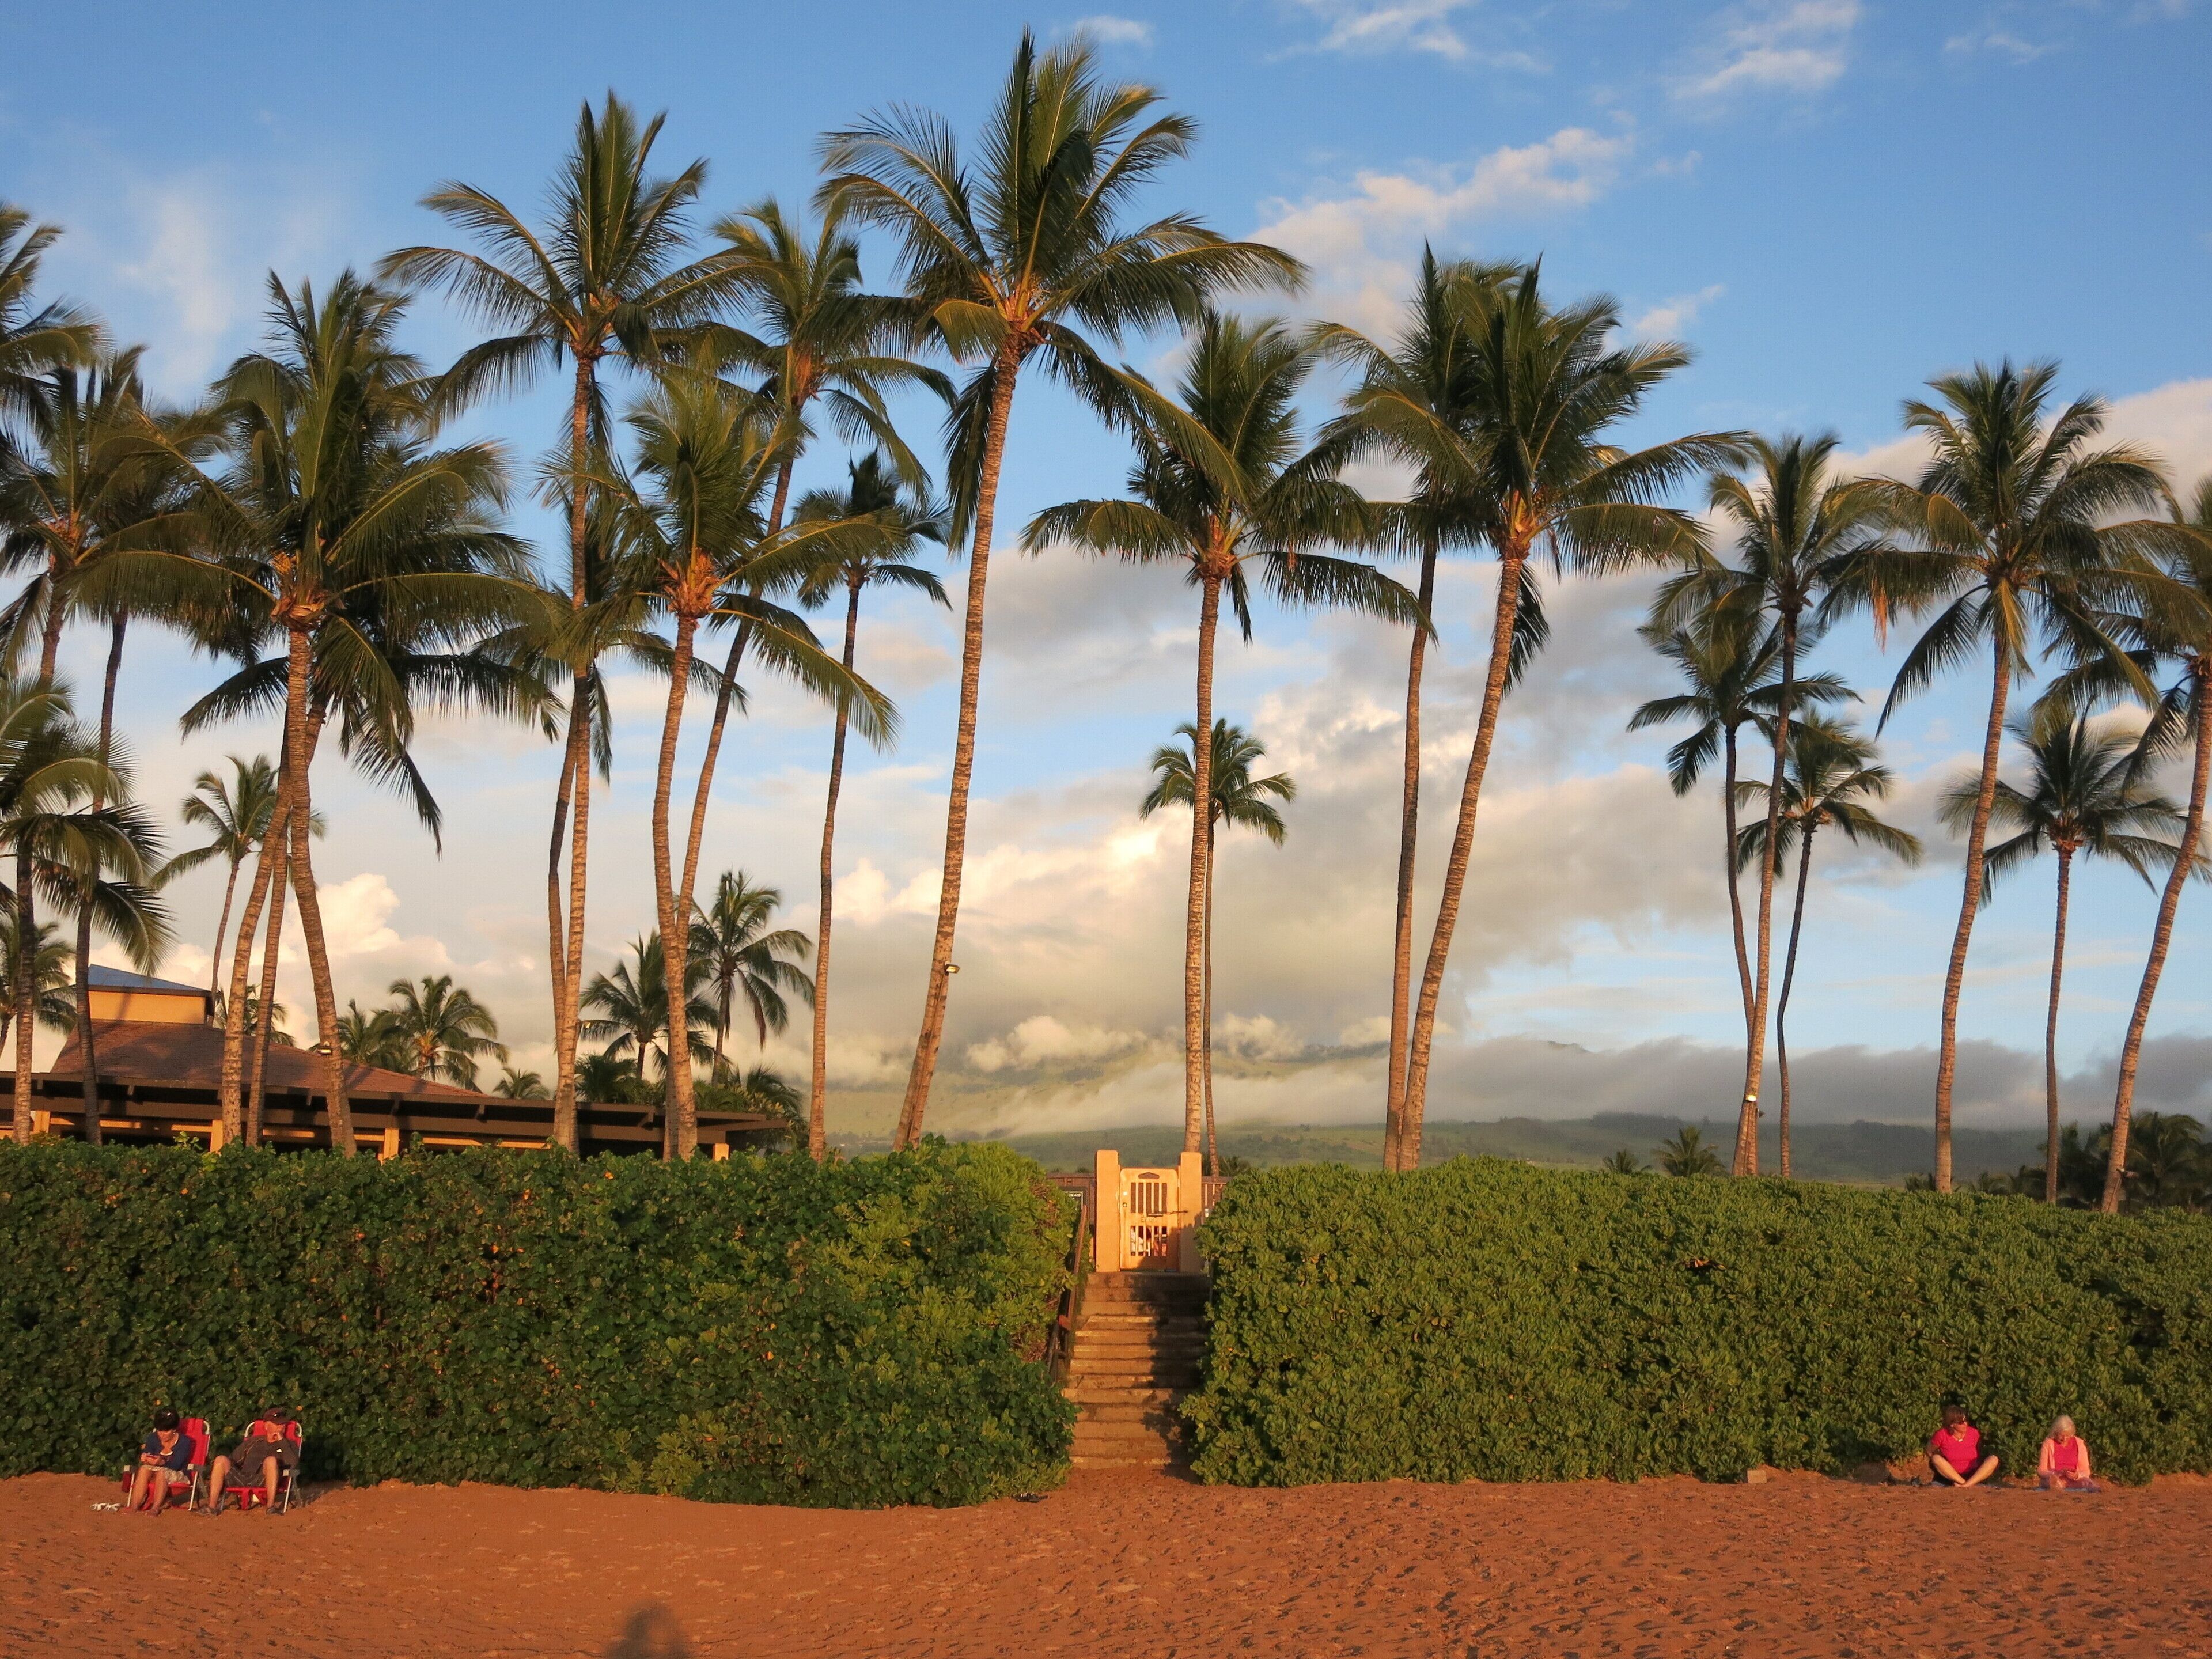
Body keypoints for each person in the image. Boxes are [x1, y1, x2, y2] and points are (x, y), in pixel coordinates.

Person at [205, 1407, 299, 1514]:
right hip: (242, 1478)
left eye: (283, 1424)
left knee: (271, 1460)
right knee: (221, 1459)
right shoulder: (254, 1441)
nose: (282, 1426)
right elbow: (233, 1459)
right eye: (278, 1423)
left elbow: (293, 1463)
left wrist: (282, 1441)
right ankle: (212, 1507)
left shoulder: (288, 1444)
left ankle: (271, 1507)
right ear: (266, 1426)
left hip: (263, 1480)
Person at [125, 1408, 193, 1514]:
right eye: (159, 1430)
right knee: (144, 1469)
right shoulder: (153, 1438)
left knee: (162, 1472)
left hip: (178, 1473)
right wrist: (145, 1458)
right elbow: (147, 1452)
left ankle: (155, 1508)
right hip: (155, 1472)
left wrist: (162, 1462)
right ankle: (134, 1506)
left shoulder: (184, 1442)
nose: (162, 1434)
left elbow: (177, 1465)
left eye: (166, 1431)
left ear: (174, 1430)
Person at [1929, 1404, 2000, 1487]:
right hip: (1951, 1475)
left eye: (1966, 1420)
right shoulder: (1942, 1435)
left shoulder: (1974, 1433)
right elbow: (1929, 1450)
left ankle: (1967, 1484)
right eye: (1961, 1423)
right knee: (1936, 1458)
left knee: (1993, 1459)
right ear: (1952, 1424)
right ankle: (1964, 1483)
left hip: (1972, 1475)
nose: (1965, 1424)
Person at [2037, 1416, 2099, 1491]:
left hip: (2075, 1481)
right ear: (2056, 1433)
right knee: (2053, 1483)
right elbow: (2041, 1470)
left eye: (2067, 1436)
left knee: (2088, 1483)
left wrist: (2077, 1476)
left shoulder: (2079, 1444)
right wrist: (2055, 1474)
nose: (2064, 1439)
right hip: (2055, 1480)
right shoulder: (2048, 1443)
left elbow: (2086, 1471)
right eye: (2061, 1436)